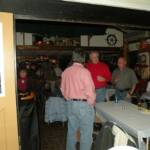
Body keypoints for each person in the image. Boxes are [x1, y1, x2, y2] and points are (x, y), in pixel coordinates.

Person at [61, 50, 96, 150]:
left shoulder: (66, 71)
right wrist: (91, 103)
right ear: (83, 59)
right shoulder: (84, 71)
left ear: (73, 58)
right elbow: (90, 91)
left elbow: (62, 89)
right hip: (83, 105)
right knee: (86, 134)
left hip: (70, 104)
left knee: (71, 132)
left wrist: (68, 99)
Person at [17, 68, 39, 150]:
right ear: (19, 73)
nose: (22, 73)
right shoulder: (16, 80)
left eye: (24, 72)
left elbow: (33, 93)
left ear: (26, 73)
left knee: (30, 126)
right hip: (20, 106)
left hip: (29, 106)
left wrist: (25, 97)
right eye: (21, 72)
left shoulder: (30, 80)